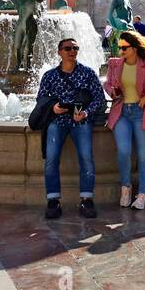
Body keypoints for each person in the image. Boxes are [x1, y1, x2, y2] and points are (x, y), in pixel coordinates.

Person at [104, 29, 145, 210]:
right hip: (121, 112)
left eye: (124, 48)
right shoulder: (115, 64)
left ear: (134, 48)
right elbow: (107, 83)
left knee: (143, 155)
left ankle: (142, 194)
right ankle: (125, 187)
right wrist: (113, 91)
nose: (121, 51)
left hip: (141, 112)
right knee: (124, 151)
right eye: (119, 48)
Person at [38, 38, 104, 218]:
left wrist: (86, 113)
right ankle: (53, 201)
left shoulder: (88, 73)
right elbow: (41, 99)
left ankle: (87, 199)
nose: (72, 51)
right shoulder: (49, 75)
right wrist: (53, 108)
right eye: (67, 48)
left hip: (80, 121)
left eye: (75, 48)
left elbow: (99, 98)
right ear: (59, 52)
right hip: (57, 122)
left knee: (86, 159)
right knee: (51, 159)